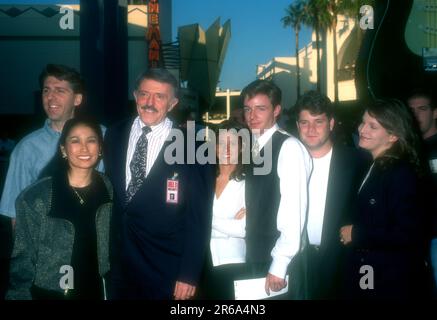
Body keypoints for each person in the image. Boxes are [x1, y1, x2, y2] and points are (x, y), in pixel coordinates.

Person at [104, 68, 214, 300]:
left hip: (166, 270)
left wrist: (189, 272)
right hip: (118, 267)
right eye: (144, 94)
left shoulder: (193, 148)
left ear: (172, 103)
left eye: (160, 97)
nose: (150, 103)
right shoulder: (113, 134)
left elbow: (199, 216)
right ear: (135, 96)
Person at [7, 116, 112, 300]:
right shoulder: (36, 196)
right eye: (75, 141)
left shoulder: (108, 188)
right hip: (50, 293)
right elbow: (23, 260)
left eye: (91, 140)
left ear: (100, 148)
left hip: (95, 288)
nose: (84, 148)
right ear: (63, 149)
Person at [340, 99, 429, 299]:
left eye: (373, 126)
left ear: (393, 135)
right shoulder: (373, 165)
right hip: (370, 272)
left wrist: (357, 234)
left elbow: (408, 233)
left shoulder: (400, 173)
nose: (362, 129)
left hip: (390, 278)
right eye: (363, 122)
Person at [241, 79, 312, 299]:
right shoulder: (252, 146)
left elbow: (294, 210)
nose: (252, 116)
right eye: (247, 109)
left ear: (277, 110)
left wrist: (279, 265)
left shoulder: (288, 147)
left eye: (260, 109)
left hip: (277, 261)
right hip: (257, 253)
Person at [295, 91, 367, 299]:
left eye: (318, 122)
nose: (311, 129)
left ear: (331, 123)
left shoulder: (357, 162)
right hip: (299, 263)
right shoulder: (287, 160)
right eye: (304, 122)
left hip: (343, 263)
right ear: (298, 125)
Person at [0, 64, 85, 226]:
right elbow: (17, 213)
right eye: (46, 90)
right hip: (47, 246)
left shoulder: (102, 137)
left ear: (77, 99)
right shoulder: (27, 148)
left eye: (60, 90)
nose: (50, 97)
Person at [200, 120, 247, 300]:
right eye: (221, 143)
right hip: (201, 263)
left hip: (234, 263)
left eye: (233, 143)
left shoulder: (248, 183)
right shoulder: (203, 178)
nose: (226, 148)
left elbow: (243, 229)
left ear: (242, 147)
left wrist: (204, 219)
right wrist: (227, 225)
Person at [407, 89, 437, 293]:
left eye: (422, 109)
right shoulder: (407, 150)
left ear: (435, 113)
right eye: (411, 110)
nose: (416, 114)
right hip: (414, 238)